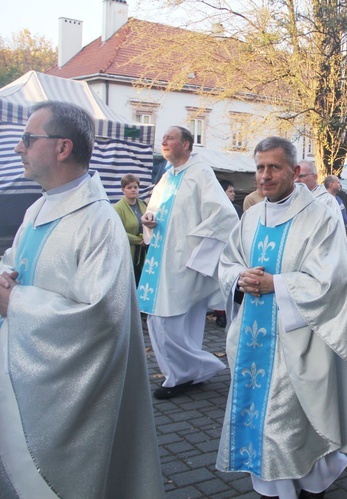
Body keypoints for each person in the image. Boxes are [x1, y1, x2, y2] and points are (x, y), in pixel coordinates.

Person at [216, 137, 347, 499]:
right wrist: (239, 277)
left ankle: (304, 483)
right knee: (267, 421)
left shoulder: (320, 218)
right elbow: (227, 261)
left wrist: (276, 284)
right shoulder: (250, 216)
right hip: (252, 335)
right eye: (260, 168)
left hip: (298, 338)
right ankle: (282, 484)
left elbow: (335, 281)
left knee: (290, 421)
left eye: (274, 167)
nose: (264, 176)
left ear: (295, 172)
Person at [0, 101, 163, 497]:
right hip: (23, 374)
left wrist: (15, 303)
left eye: (28, 139)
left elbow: (100, 317)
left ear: (61, 148)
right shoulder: (37, 209)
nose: (19, 148)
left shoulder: (98, 221)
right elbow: (14, 264)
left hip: (69, 401)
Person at [139, 125, 238, 399]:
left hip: (185, 260)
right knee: (163, 321)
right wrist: (148, 218)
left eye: (170, 137)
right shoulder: (166, 176)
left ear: (186, 144)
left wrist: (197, 250)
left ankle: (188, 372)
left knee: (167, 322)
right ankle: (191, 371)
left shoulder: (200, 172)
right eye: (164, 138)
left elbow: (224, 215)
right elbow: (154, 210)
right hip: (161, 259)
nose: (164, 141)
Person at [113, 173, 149, 284]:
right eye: (129, 187)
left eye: (135, 187)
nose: (133, 190)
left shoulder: (144, 204)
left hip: (145, 251)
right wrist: (139, 241)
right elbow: (117, 231)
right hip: (128, 252)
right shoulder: (117, 208)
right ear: (123, 189)